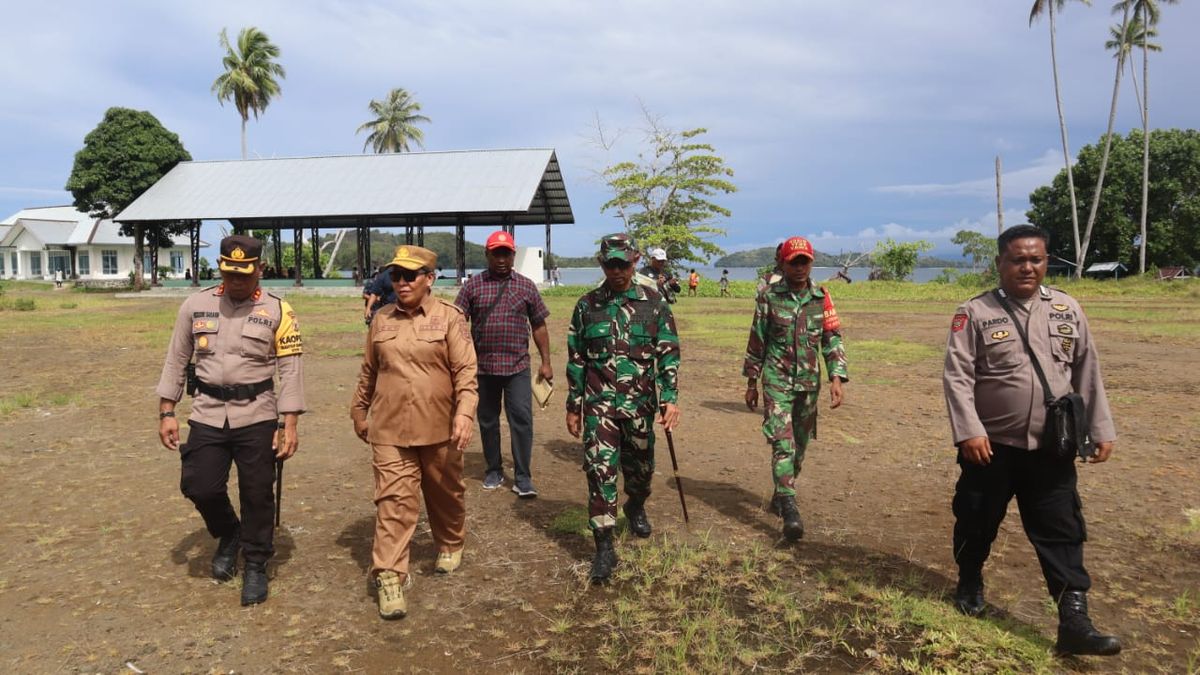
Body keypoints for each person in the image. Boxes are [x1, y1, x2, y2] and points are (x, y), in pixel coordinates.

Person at [943, 224, 1121, 657]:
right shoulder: (975, 312)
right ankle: (969, 581)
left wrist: (1101, 427)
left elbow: (1087, 370)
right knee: (976, 519)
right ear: (1000, 262)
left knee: (1061, 531)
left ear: (1046, 261)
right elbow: (957, 376)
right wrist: (968, 430)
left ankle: (1074, 620)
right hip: (991, 447)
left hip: (1052, 445)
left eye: (1036, 259)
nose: (1028, 267)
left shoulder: (1067, 308)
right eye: (1018, 259)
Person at [155, 235, 305, 606]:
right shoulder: (195, 305)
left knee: (257, 492)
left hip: (258, 413)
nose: (236, 280)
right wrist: (167, 411)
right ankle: (229, 532)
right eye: (229, 273)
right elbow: (176, 360)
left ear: (260, 270)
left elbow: (291, 369)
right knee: (199, 485)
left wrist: (289, 423)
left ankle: (255, 563)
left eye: (244, 273)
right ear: (221, 267)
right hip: (206, 410)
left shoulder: (279, 311)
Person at [350, 244, 478, 620]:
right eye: (396, 276)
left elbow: (466, 373)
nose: (401, 283)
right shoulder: (381, 319)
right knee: (394, 502)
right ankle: (390, 576)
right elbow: (369, 371)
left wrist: (465, 415)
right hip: (389, 429)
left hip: (439, 427)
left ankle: (451, 541)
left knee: (445, 493)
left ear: (429, 279)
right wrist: (358, 409)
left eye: (410, 276)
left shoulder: (450, 318)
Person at [566, 233, 680, 584]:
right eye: (610, 264)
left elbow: (668, 352)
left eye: (623, 264)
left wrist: (670, 398)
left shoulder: (654, 303)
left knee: (641, 471)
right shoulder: (588, 305)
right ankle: (604, 547)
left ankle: (636, 504)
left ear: (635, 262)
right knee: (600, 472)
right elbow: (577, 357)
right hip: (599, 406)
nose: (617, 270)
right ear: (602, 264)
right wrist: (574, 405)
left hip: (641, 405)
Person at [743, 236, 847, 542]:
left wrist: (837, 378)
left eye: (805, 261)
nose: (800, 268)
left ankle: (782, 489)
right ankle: (789, 507)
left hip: (808, 384)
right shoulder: (769, 297)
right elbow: (756, 340)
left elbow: (832, 339)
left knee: (800, 444)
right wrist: (752, 381)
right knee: (782, 442)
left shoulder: (821, 297)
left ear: (811, 263)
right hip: (777, 379)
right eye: (794, 262)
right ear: (783, 264)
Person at [455, 231, 553, 497]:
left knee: (521, 420)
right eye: (496, 253)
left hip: (517, 368)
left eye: (506, 253)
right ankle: (493, 470)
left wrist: (546, 361)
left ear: (513, 255)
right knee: (487, 421)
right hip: (483, 368)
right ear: (487, 254)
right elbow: (457, 323)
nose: (501, 259)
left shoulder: (526, 286)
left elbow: (539, 325)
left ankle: (523, 477)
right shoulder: (473, 286)